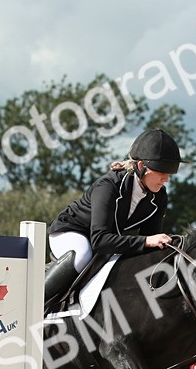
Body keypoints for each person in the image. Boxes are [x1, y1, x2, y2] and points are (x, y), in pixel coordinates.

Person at [43, 128, 179, 307]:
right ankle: (35, 304)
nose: (166, 180)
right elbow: (100, 240)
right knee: (83, 256)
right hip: (71, 231)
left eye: (169, 175)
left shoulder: (159, 196)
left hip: (106, 239)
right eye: (162, 173)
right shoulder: (109, 186)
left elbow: (150, 240)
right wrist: (146, 241)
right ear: (140, 166)